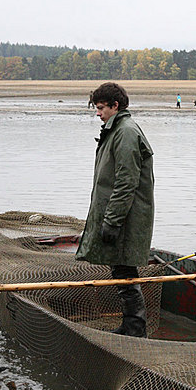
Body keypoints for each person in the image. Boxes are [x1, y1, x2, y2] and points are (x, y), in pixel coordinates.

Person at [76, 82, 155, 338]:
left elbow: (126, 181)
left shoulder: (126, 132)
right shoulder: (116, 129)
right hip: (121, 216)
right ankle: (131, 325)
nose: (97, 113)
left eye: (100, 108)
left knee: (125, 272)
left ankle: (135, 329)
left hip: (127, 218)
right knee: (122, 270)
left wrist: (112, 221)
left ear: (115, 106)